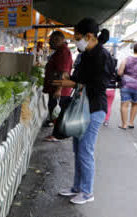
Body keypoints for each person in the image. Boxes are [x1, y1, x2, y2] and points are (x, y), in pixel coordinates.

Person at [53, 18, 114, 205]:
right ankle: (77, 188)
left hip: (94, 109)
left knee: (85, 151)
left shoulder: (102, 56)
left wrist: (71, 83)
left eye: (77, 37)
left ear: (89, 36)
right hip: (83, 107)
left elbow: (98, 86)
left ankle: (87, 192)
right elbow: (80, 77)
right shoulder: (86, 54)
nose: (75, 41)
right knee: (78, 150)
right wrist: (68, 77)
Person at [43, 31, 73, 141]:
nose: (50, 42)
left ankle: (57, 135)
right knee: (56, 111)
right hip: (56, 88)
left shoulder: (63, 52)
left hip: (60, 89)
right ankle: (56, 133)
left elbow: (63, 72)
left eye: (51, 40)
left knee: (58, 112)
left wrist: (58, 90)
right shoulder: (60, 51)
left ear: (58, 40)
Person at [104, 55, 119, 126]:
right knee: (109, 106)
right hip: (112, 90)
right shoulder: (116, 71)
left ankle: (100, 118)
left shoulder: (104, 69)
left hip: (104, 89)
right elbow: (119, 79)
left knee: (101, 105)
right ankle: (106, 120)